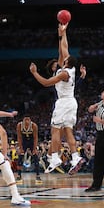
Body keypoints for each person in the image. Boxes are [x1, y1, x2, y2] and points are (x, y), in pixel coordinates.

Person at [29, 23, 84, 174]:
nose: (60, 60)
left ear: (66, 62)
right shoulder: (70, 69)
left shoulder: (63, 73)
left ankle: (54, 158)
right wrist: (62, 33)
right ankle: (75, 157)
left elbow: (46, 83)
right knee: (68, 131)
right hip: (71, 102)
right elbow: (63, 48)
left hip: (64, 102)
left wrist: (34, 72)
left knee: (55, 130)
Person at [16, 115, 42, 184]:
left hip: (31, 142)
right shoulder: (19, 125)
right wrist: (21, 147)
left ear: (30, 120)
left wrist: (34, 148)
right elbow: (19, 137)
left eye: (28, 119)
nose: (27, 121)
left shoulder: (34, 126)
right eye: (25, 119)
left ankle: (38, 175)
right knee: (20, 157)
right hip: (24, 142)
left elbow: (36, 138)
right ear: (23, 120)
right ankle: (19, 175)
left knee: (35, 157)